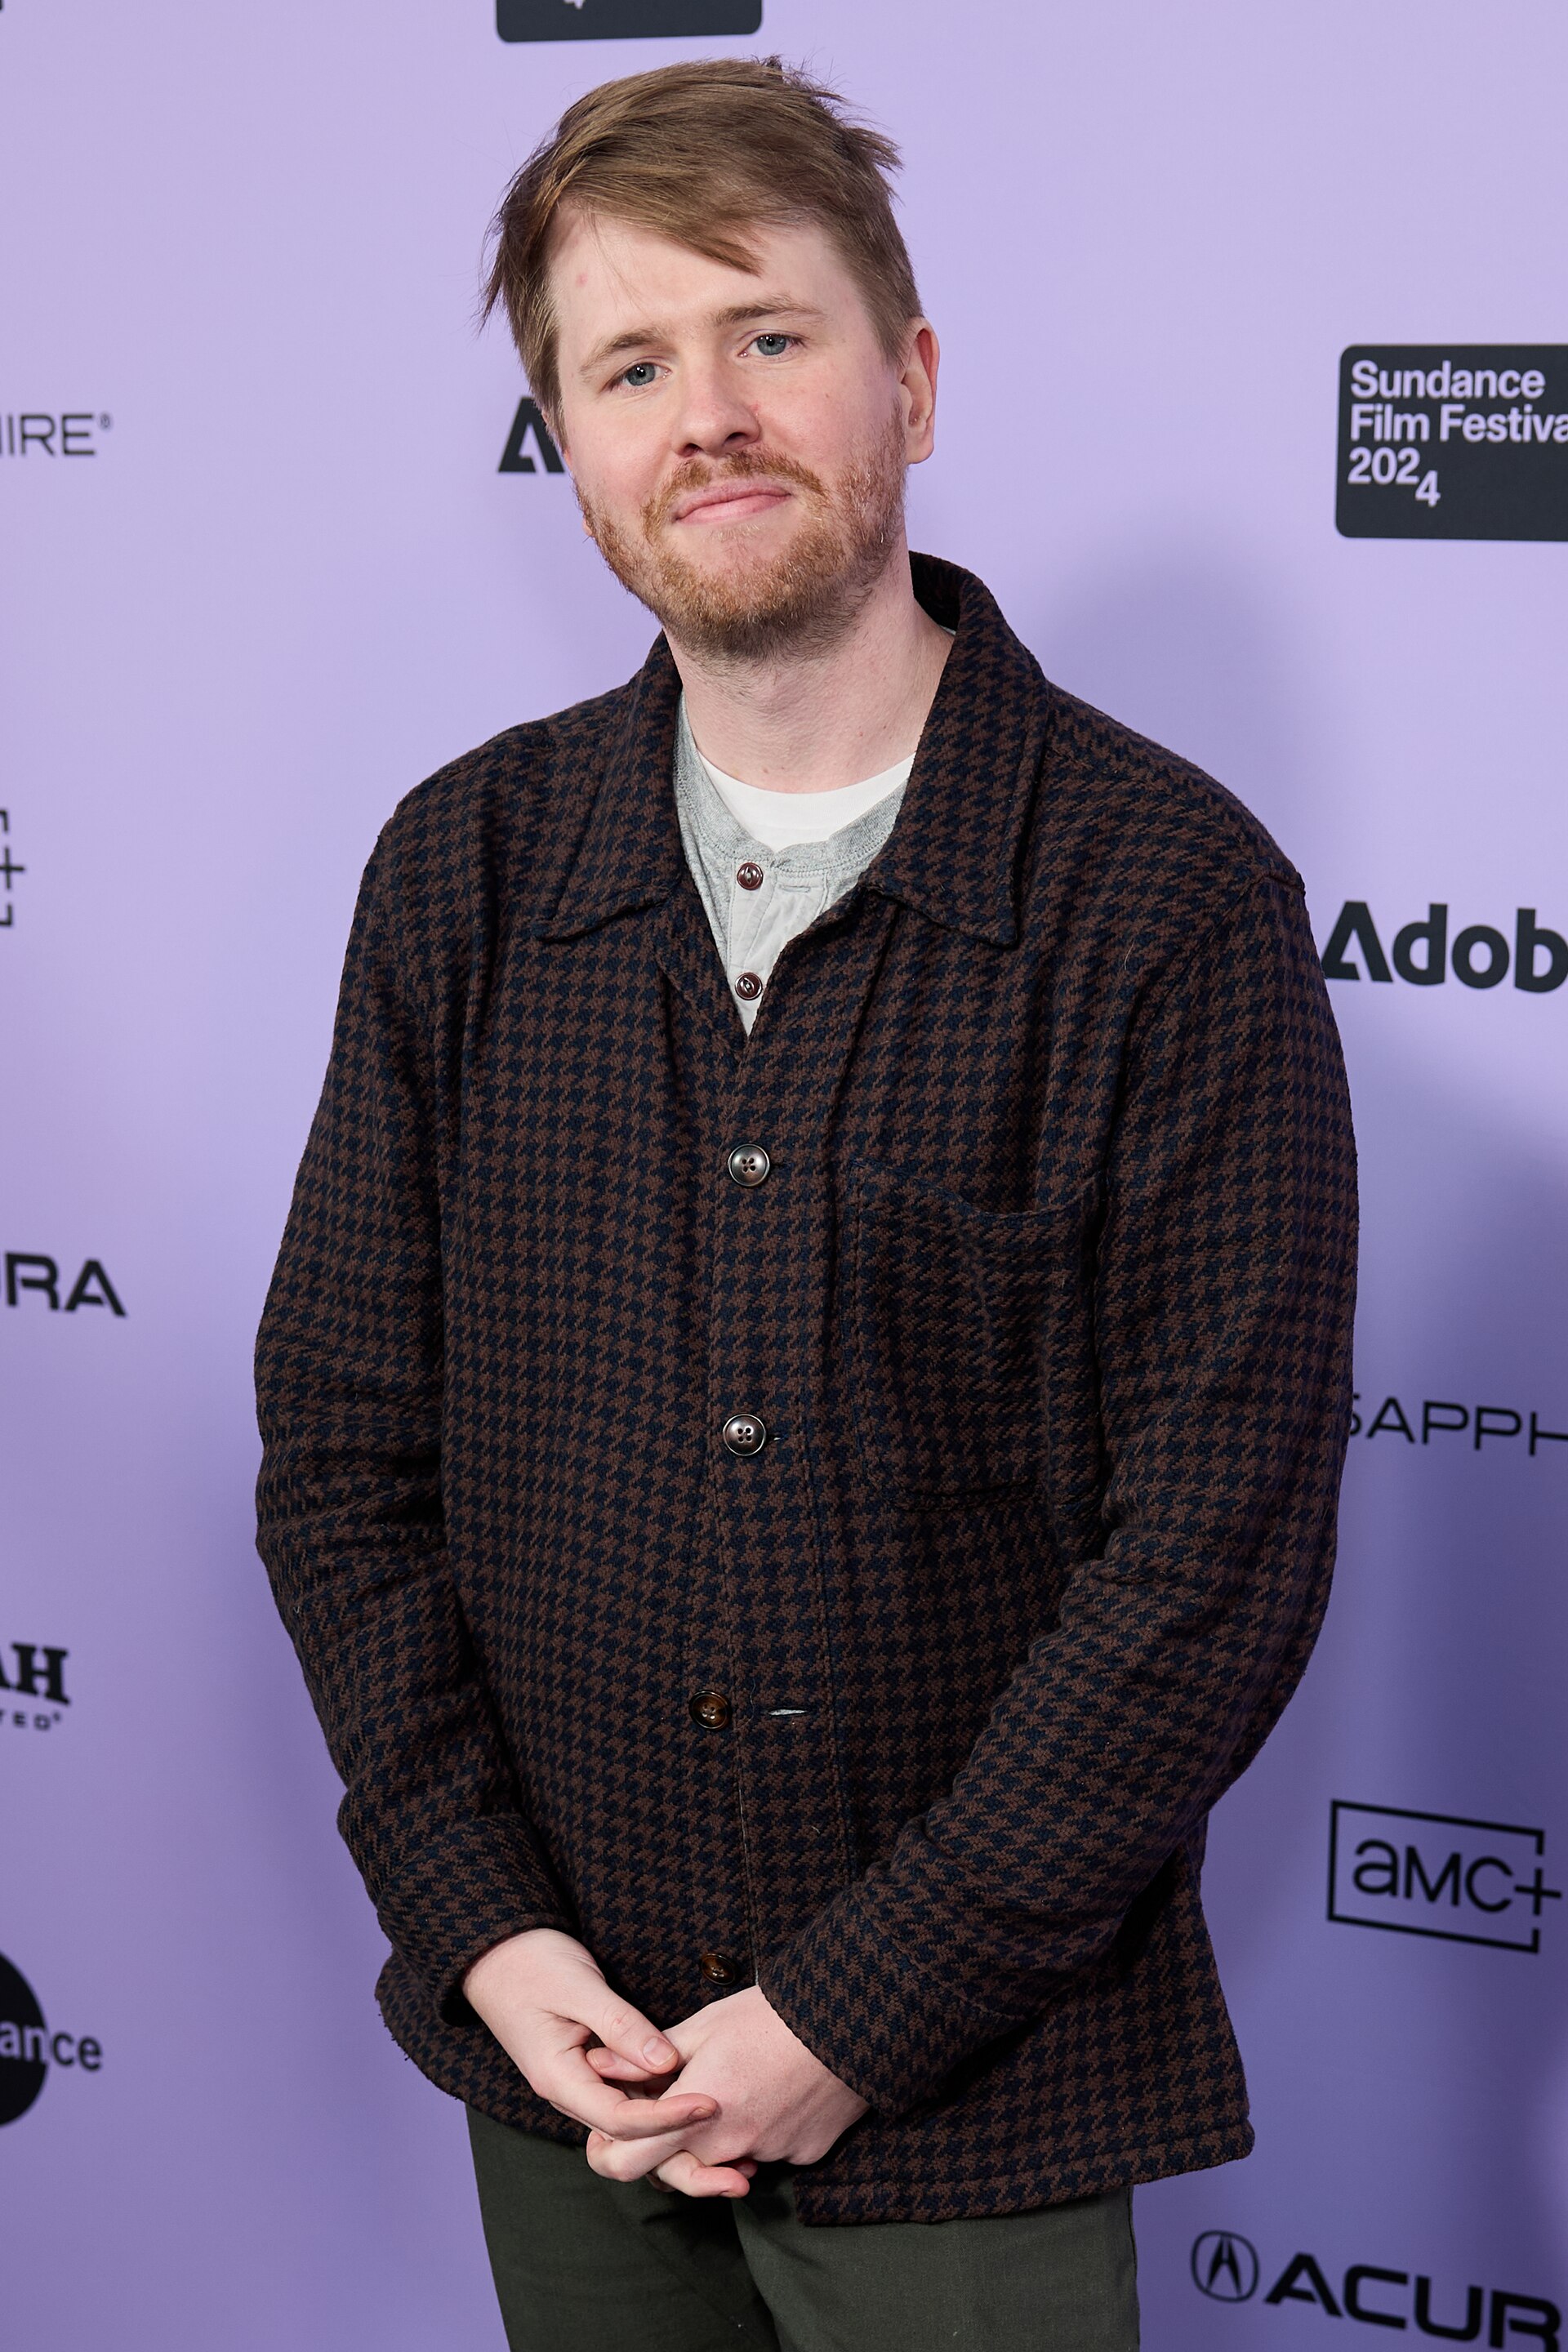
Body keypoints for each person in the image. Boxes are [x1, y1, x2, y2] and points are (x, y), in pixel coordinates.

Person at [255, 56, 1356, 2352]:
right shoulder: (458, 876)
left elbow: (1211, 1559)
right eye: (630, 366)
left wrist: (851, 2007)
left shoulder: (1167, 898)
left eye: (771, 335)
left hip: (968, 2095)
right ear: (569, 444)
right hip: (568, 2068)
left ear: (913, 379)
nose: (708, 414)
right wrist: (485, 1924)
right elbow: (347, 1465)